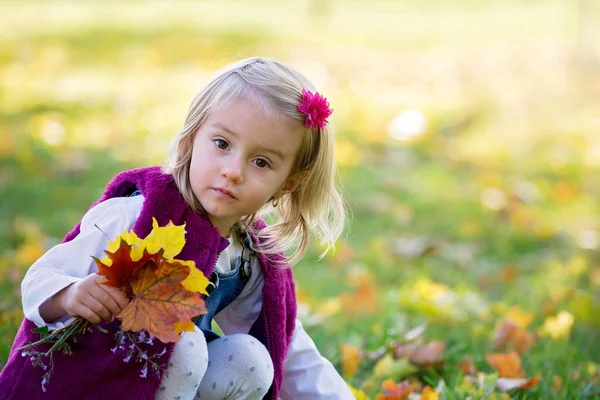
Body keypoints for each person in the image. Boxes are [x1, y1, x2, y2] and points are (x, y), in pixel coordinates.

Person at [0, 57, 355, 399]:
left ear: (288, 183)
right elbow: (39, 278)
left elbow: (291, 353)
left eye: (261, 162)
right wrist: (70, 294)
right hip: (87, 378)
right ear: (191, 137)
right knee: (181, 343)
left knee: (251, 359)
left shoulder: (247, 257)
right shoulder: (136, 214)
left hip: (170, 378)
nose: (233, 170)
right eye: (222, 144)